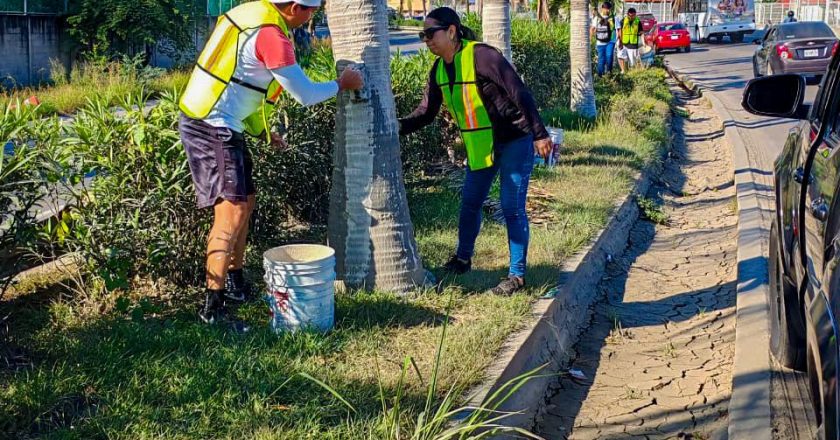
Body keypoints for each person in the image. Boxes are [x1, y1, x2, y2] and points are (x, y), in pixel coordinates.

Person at [178, 0, 364, 326]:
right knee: (232, 211)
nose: (312, 16)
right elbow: (305, 94)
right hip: (212, 125)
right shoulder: (271, 35)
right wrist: (341, 84)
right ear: (293, 7)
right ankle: (212, 307)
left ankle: (235, 284)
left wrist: (264, 133)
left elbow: (237, 81)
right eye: (310, 10)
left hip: (222, 122)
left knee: (245, 201)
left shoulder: (255, 16)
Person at [399, 7, 552, 296]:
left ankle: (517, 276)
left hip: (515, 139)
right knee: (470, 202)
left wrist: (540, 133)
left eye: (430, 34)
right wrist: (398, 127)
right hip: (482, 146)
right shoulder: (439, 70)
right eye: (422, 36)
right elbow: (426, 112)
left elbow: (519, 92)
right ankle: (462, 259)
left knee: (511, 207)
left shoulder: (483, 56)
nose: (426, 40)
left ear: (451, 31)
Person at [591, 2, 619, 76]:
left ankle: (609, 73)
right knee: (601, 59)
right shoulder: (597, 18)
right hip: (600, 42)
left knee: (609, 57)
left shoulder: (614, 18)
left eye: (609, 9)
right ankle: (600, 76)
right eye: (606, 9)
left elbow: (619, 29)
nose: (607, 10)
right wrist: (590, 39)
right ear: (602, 8)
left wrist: (620, 41)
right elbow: (592, 28)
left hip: (611, 41)